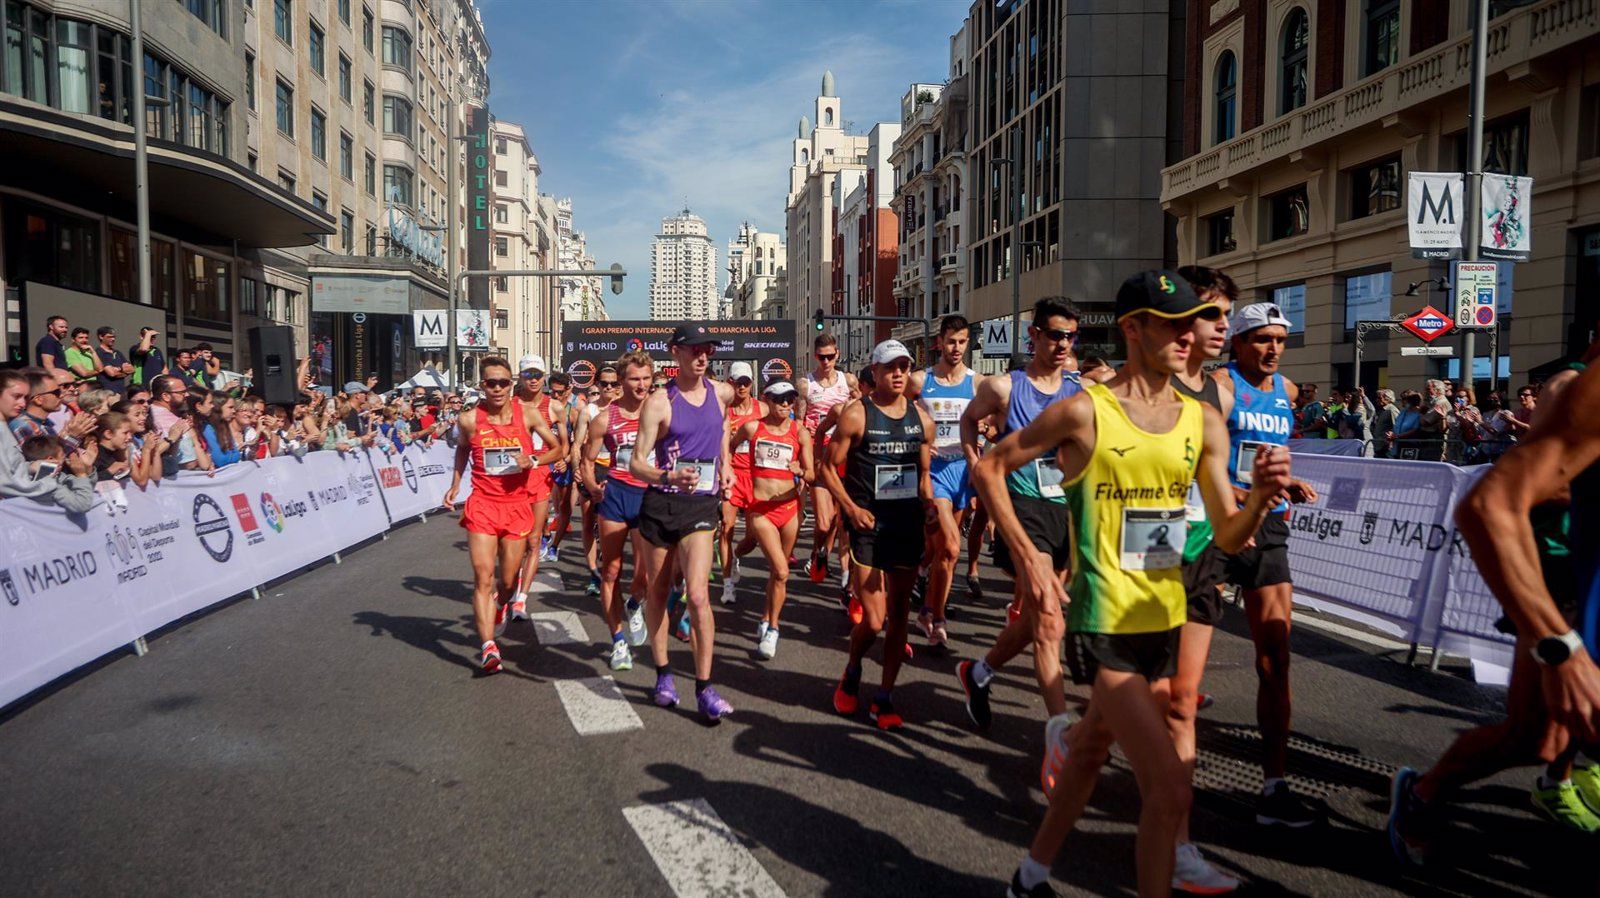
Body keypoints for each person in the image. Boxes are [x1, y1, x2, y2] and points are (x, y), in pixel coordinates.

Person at [993, 270, 1291, 898]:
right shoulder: (1082, 411)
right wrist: (1032, 559)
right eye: (1172, 323)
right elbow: (993, 467)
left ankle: (1029, 876)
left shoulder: (1203, 422)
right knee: (1170, 784)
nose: (1188, 336)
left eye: (1195, 323)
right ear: (1133, 328)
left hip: (1165, 615)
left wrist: (1260, 498)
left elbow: (1230, 537)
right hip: (1104, 623)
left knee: (1090, 751)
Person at [1388, 334, 1600, 863]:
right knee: (1533, 739)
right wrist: (1563, 644)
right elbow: (1504, 499)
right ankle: (1423, 795)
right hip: (1559, 578)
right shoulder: (1574, 386)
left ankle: (1555, 784)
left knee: (1548, 742)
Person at [1214, 300, 1322, 828]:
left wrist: (1284, 482)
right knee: (1174, 658)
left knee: (1275, 658)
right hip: (1215, 526)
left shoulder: (1289, 392)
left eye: (1280, 338)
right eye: (1261, 338)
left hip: (1269, 527)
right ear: (1238, 342)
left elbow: (1269, 449)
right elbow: (1196, 460)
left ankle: (1274, 784)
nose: (1274, 347)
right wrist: (1244, 494)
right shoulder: (1221, 387)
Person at [955, 297, 1084, 730]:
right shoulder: (1005, 387)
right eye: (1055, 335)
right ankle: (1059, 731)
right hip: (1022, 507)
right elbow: (970, 420)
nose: (1063, 343)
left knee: (1034, 616)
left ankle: (979, 673)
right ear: (1035, 336)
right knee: (1049, 619)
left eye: (1070, 336)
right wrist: (976, 462)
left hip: (1064, 509)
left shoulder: (1080, 394)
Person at [1162, 264, 1241, 892]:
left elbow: (1211, 483)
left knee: (1181, 700)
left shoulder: (1221, 392)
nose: (1224, 326)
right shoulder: (1125, 386)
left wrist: (1257, 494)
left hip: (1197, 550)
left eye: (1227, 315)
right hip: (1134, 558)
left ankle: (1178, 845)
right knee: (1142, 698)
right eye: (1212, 313)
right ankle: (1079, 737)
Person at [821, 339, 933, 729]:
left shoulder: (923, 419)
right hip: (868, 526)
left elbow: (923, 476)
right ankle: (852, 670)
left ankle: (884, 696)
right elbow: (826, 469)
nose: (899, 373)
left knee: (900, 614)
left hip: (906, 525)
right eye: (890, 367)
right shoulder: (856, 414)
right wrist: (851, 509)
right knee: (873, 619)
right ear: (875, 371)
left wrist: (930, 504)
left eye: (904, 366)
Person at [628, 325, 738, 722]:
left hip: (701, 508)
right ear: (675, 352)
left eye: (707, 349)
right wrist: (667, 476)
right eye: (694, 349)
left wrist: (725, 467)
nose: (703, 356)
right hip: (661, 505)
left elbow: (722, 429)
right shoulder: (659, 402)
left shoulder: (720, 393)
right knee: (658, 595)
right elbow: (636, 461)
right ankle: (662, 675)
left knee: (697, 595)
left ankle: (705, 688)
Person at [443, 356, 563, 673]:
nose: (497, 388)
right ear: (482, 385)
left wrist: (533, 460)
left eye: (503, 382)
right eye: (490, 383)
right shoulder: (469, 419)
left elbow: (557, 448)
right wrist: (456, 485)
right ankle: (488, 647)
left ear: (512, 384)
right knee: (483, 577)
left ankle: (504, 601)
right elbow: (462, 449)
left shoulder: (528, 414)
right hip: (482, 503)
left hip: (517, 504)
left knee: (507, 580)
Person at [905, 315, 981, 650]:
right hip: (932, 470)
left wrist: (986, 433)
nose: (956, 348)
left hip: (962, 470)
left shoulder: (976, 383)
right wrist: (917, 439)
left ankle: (927, 609)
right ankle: (938, 617)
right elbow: (899, 411)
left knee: (942, 553)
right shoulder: (921, 380)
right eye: (951, 341)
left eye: (962, 342)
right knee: (951, 546)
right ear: (940, 341)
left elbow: (988, 419)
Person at [729, 380, 813, 659]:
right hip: (760, 509)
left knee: (778, 574)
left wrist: (801, 469)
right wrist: (727, 474)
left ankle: (766, 617)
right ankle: (774, 629)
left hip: (789, 509)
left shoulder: (800, 433)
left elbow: (812, 474)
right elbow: (729, 447)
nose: (786, 404)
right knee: (782, 569)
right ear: (767, 399)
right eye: (779, 399)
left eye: (790, 399)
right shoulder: (753, 428)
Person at [583, 352, 655, 671]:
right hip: (616, 495)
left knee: (647, 574)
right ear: (622, 382)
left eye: (646, 378)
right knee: (611, 571)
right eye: (634, 379)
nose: (641, 385)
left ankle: (635, 602)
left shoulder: (660, 413)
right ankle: (618, 641)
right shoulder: (605, 417)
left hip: (648, 497)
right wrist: (592, 486)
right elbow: (586, 461)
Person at [509, 355, 569, 619]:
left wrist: (563, 459)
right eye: (528, 374)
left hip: (539, 474)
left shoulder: (554, 406)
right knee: (513, 540)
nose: (534, 379)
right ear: (520, 377)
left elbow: (564, 442)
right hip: (510, 478)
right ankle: (510, 585)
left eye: (538, 375)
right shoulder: (508, 404)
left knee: (533, 540)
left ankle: (521, 598)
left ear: (544, 376)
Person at [798, 334, 858, 585]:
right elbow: (800, 423)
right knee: (823, 522)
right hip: (818, 452)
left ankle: (827, 559)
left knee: (839, 517)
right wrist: (805, 459)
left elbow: (860, 408)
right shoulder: (805, 384)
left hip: (845, 453)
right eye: (821, 357)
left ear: (838, 355)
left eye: (830, 357)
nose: (826, 362)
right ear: (815, 357)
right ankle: (817, 552)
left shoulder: (849, 380)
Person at [0, 370, 98, 509]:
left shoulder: (11, 426)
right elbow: (6, 482)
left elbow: (17, 468)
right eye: (16, 396)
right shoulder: (21, 425)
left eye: (25, 397)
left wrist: (33, 466)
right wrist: (71, 439)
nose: (22, 403)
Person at [719, 361, 764, 605]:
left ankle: (736, 555)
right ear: (731, 383)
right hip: (732, 475)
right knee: (726, 526)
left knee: (753, 536)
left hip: (757, 478)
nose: (742, 387)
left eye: (746, 382)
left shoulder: (763, 409)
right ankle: (727, 585)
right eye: (738, 383)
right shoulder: (723, 411)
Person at [542, 371, 578, 563]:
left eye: (559, 392)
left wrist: (567, 459)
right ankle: (545, 534)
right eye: (552, 392)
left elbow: (579, 443)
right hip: (544, 461)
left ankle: (555, 546)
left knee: (564, 508)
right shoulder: (543, 408)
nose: (555, 396)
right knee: (538, 504)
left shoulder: (573, 412)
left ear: (568, 390)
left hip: (564, 462)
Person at [1372, 389, 1399, 458]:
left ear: (1388, 399)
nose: (1377, 400)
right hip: (1378, 446)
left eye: (1379, 398)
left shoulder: (1391, 410)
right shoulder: (1382, 410)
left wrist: (1390, 441)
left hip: (1386, 447)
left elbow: (1396, 427)